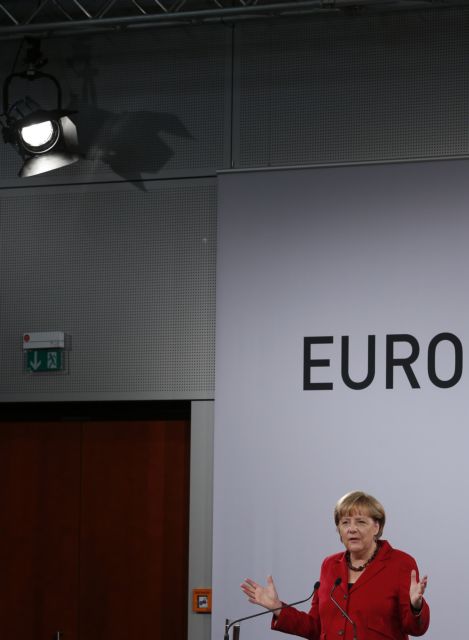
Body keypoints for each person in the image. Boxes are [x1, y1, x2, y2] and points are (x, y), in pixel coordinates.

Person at [240, 490, 429, 639]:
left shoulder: (400, 564)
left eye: (360, 522)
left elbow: (416, 629)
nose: (352, 529)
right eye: (345, 522)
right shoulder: (330, 565)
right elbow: (316, 627)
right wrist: (278, 608)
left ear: (376, 527)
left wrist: (416, 607)